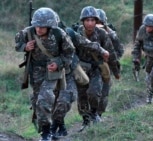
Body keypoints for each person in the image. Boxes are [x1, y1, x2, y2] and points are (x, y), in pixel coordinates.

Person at [15, 7, 75, 141]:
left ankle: (46, 133)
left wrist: (59, 63)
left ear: (50, 26)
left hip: (52, 71)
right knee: (38, 102)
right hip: (35, 71)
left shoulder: (59, 34)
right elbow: (17, 42)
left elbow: (69, 53)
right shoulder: (28, 32)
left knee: (44, 98)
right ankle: (48, 130)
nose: (38, 29)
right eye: (36, 25)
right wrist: (25, 47)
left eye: (42, 26)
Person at [50, 12, 109, 140]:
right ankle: (57, 128)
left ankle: (90, 116)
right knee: (49, 102)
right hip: (48, 74)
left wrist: (102, 51)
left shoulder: (68, 33)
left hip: (71, 71)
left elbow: (84, 43)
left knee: (67, 99)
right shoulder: (34, 36)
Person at [76, 6, 120, 131]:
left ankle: (94, 113)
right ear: (83, 21)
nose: (90, 23)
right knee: (82, 96)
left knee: (94, 93)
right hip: (81, 69)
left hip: (96, 69)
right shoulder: (77, 33)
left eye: (92, 20)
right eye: (87, 20)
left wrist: (116, 72)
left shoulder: (102, 34)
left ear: (96, 21)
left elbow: (110, 53)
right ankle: (85, 120)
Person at [95, 8, 124, 119]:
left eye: (99, 22)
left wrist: (110, 57)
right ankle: (89, 115)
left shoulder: (111, 34)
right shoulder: (85, 32)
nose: (96, 25)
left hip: (106, 66)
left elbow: (120, 51)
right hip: (91, 66)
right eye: (94, 22)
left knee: (104, 92)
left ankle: (99, 114)